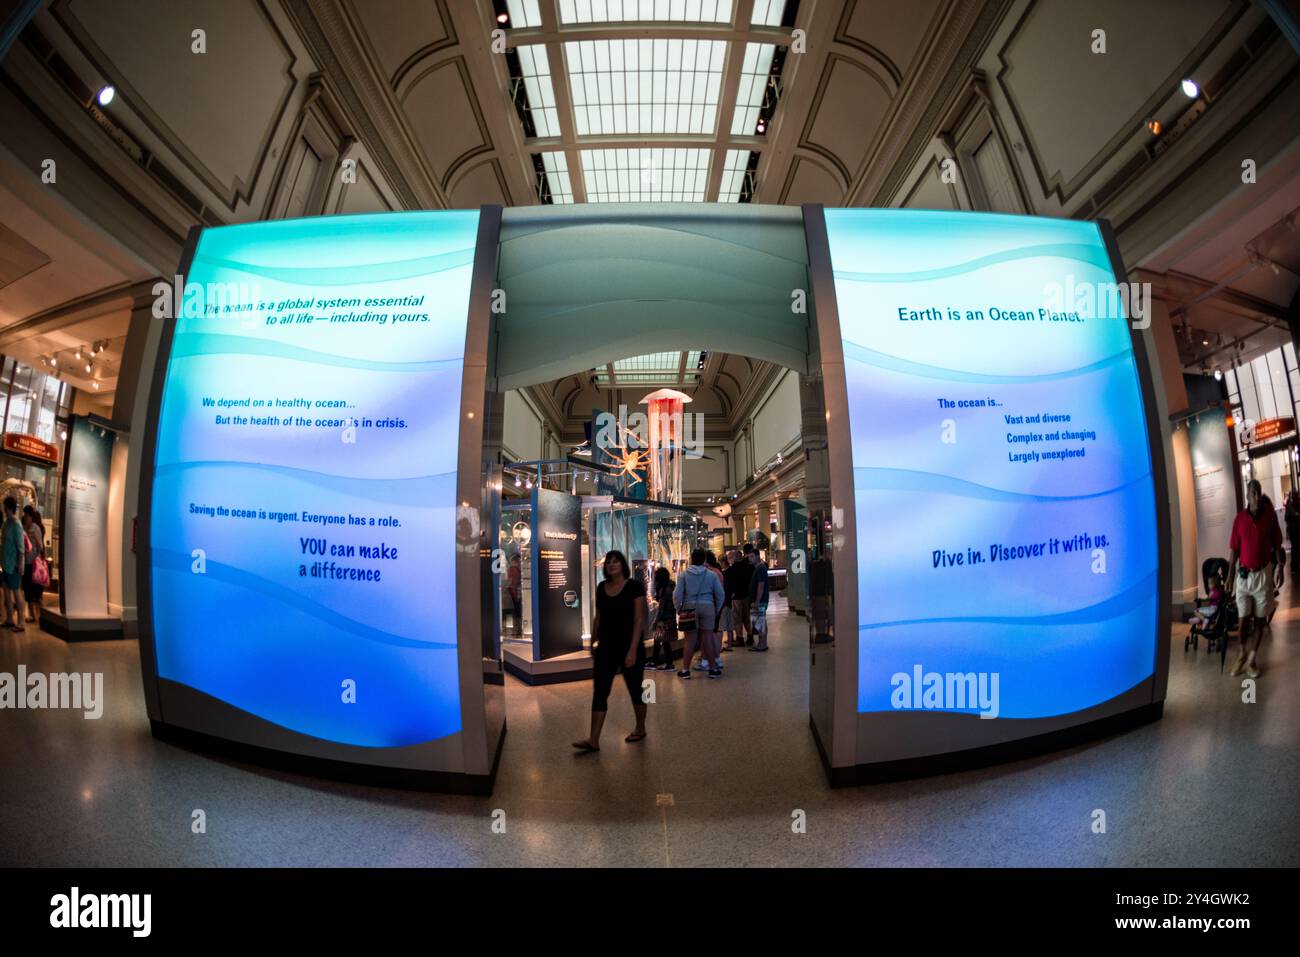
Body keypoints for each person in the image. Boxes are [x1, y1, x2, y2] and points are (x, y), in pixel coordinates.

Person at [573, 550, 647, 752]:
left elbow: (639, 619)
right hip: (606, 647)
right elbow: (599, 616)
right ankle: (593, 739)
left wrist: (632, 649)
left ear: (623, 564)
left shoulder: (634, 587)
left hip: (629, 646)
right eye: (608, 562)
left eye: (616, 561)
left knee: (636, 690)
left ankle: (640, 728)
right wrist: (593, 640)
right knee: (600, 692)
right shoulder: (601, 587)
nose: (612, 565)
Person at [1227, 479, 1284, 678]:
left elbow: (1277, 542)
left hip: (1263, 575)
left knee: (1259, 622)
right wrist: (1229, 576)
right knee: (1243, 621)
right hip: (1243, 577)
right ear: (1247, 495)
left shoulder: (1269, 515)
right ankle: (1242, 654)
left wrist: (1281, 567)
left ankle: (1252, 660)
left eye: (1259, 492)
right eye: (1253, 493)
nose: (1257, 496)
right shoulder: (1239, 519)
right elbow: (1234, 550)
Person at [674, 547, 725, 679]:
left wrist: (678, 609)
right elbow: (720, 594)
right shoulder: (711, 575)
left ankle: (685, 670)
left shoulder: (684, 575)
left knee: (690, 640)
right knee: (707, 639)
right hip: (708, 606)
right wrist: (716, 609)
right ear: (703, 560)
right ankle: (713, 669)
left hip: (689, 607)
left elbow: (677, 595)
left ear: (691, 559)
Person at [696, 551, 726, 671]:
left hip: (709, 606)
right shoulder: (718, 572)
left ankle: (705, 660)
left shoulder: (709, 573)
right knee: (716, 633)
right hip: (716, 606)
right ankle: (716, 658)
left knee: (705, 634)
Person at [2, 497, 26, 632]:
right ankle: (10, 618)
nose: (4, 510)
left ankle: (21, 621)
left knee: (16, 592)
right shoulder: (7, 523)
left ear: (10, 508)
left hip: (14, 565)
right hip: (6, 564)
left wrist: (20, 566)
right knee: (6, 590)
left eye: (5, 507)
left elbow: (21, 548)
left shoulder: (16, 524)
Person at [649, 565, 677, 671]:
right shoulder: (670, 587)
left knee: (662, 640)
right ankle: (657, 662)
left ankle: (665, 663)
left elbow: (661, 608)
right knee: (661, 640)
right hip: (669, 618)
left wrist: (655, 622)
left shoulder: (664, 590)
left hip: (665, 620)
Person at [21, 506, 45, 626]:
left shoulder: (36, 528)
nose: (25, 517)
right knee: (27, 588)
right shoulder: (23, 528)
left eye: (26, 515)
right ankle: (31, 615)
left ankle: (37, 615)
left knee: (34, 589)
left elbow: (40, 547)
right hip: (25, 562)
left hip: (34, 563)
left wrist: (33, 537)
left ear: (31, 516)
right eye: (24, 515)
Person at [747, 545, 770, 652]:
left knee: (760, 622)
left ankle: (762, 644)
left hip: (760, 601)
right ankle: (762, 643)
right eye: (749, 557)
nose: (750, 559)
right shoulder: (758, 568)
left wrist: (757, 601)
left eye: (752, 557)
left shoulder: (760, 568)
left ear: (757, 556)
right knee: (760, 621)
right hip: (760, 601)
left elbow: (761, 586)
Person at [732, 543, 755, 646]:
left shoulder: (732, 569)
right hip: (746, 596)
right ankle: (750, 636)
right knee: (746, 617)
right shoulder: (748, 567)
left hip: (736, 597)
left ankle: (740, 638)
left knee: (738, 618)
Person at [718, 551, 738, 651]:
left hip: (724, 601)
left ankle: (720, 646)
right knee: (730, 624)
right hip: (729, 600)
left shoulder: (724, 573)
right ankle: (729, 644)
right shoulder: (731, 571)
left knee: (721, 626)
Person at [1285, 491, 1300, 570]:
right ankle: (1294, 566)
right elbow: (1286, 518)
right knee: (1294, 547)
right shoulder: (1290, 506)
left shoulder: (1296, 505)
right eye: (1295, 496)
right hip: (1293, 530)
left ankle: (1296, 564)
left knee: (1297, 547)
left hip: (1297, 529)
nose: (1296, 497)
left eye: (1297, 495)